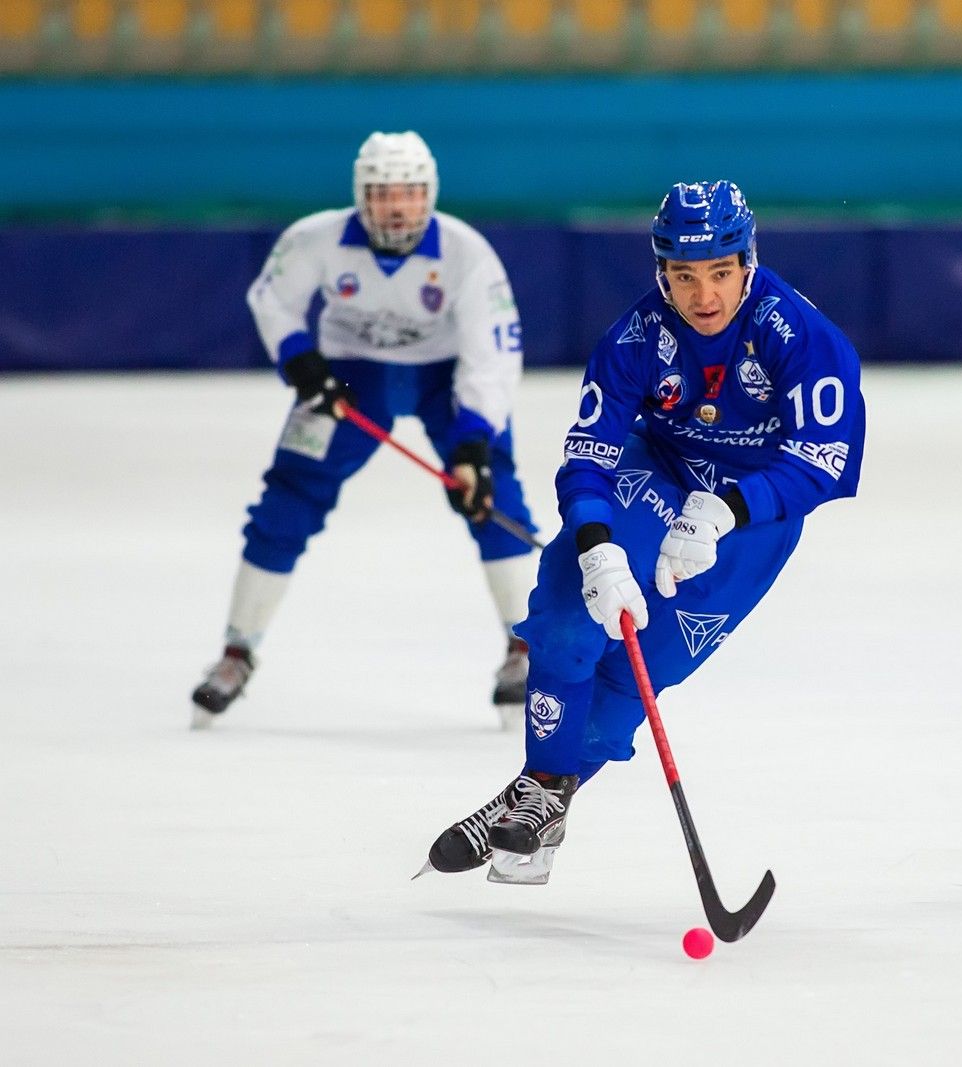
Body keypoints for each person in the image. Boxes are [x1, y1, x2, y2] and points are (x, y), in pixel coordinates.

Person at [417, 179, 866, 884]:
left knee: (630, 685)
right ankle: (540, 790)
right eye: (685, 276)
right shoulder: (635, 335)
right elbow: (587, 456)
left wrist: (728, 509)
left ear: (748, 260)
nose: (704, 295)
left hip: (751, 518)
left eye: (720, 272)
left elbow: (826, 460)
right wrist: (597, 548)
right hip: (650, 476)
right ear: (662, 271)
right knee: (569, 624)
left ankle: (539, 796)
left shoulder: (801, 336)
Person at [190, 131, 538, 730]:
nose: (396, 207)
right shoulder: (316, 238)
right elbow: (271, 297)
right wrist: (301, 360)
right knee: (288, 499)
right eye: (382, 194)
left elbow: (492, 355)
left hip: (442, 376)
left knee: (491, 496)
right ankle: (236, 650)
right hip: (350, 379)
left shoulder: (467, 254)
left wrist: (474, 441)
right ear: (361, 197)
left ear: (429, 195)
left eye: (409, 193)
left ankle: (525, 649)